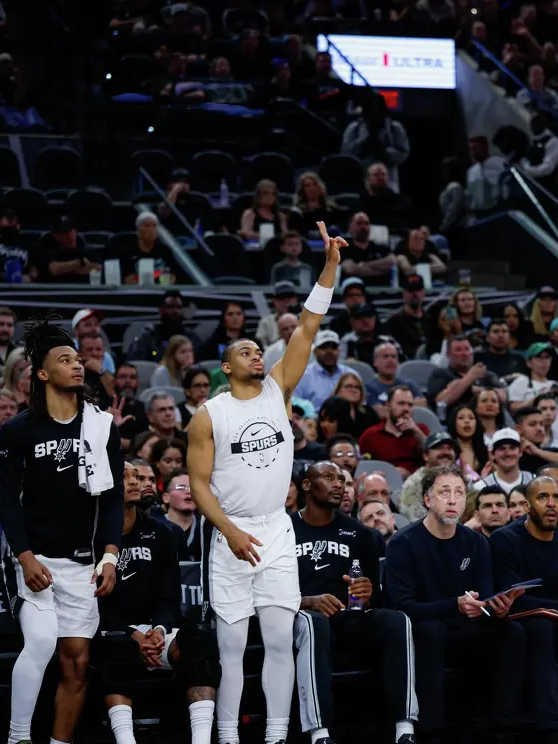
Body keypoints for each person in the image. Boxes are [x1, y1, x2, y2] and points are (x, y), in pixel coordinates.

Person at [187, 222, 347, 744]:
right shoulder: (209, 415)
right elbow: (199, 485)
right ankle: (228, 736)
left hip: (276, 530)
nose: (257, 355)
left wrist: (329, 267)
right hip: (231, 534)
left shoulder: (278, 389)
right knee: (232, 649)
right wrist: (229, 531)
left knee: (280, 641)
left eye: (259, 350)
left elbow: (307, 327)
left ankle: (277, 735)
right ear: (225, 366)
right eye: (246, 352)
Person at [0, 320, 124, 744]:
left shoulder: (102, 426)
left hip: (83, 562)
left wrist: (110, 555)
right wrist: (24, 557)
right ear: (42, 373)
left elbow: (113, 498)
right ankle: (17, 737)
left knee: (76, 661)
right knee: (41, 641)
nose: (77, 365)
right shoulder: (18, 430)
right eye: (65, 360)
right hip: (34, 557)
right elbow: (6, 502)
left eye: (78, 359)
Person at [385, 464, 526, 740]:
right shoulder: (403, 543)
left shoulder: (476, 542)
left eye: (459, 493)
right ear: (427, 499)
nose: (452, 500)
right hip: (423, 627)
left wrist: (495, 609)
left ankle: (506, 726)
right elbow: (402, 607)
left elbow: (483, 596)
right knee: (432, 632)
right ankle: (432, 729)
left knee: (512, 632)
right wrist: (456, 604)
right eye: (444, 492)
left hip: (465, 624)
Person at [292, 461, 418, 744]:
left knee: (398, 620)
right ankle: (319, 732)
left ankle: (405, 728)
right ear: (307, 485)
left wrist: (367, 592)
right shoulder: (285, 529)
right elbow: (268, 590)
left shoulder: (360, 533)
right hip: (300, 615)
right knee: (314, 624)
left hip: (347, 615)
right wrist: (306, 601)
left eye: (341, 479)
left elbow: (374, 597)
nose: (338, 484)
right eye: (328, 478)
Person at [98, 461, 218, 744]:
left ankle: (201, 738)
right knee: (118, 646)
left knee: (200, 641)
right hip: (109, 631)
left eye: (137, 477)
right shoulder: (90, 536)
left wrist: (160, 631)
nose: (135, 482)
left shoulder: (161, 533)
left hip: (155, 634)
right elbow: (90, 604)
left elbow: (169, 597)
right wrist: (132, 634)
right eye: (125, 477)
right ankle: (125, 739)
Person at [490, 475, 558, 742]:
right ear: (527, 506)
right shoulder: (504, 540)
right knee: (540, 627)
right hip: (523, 626)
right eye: (542, 497)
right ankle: (551, 728)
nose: (551, 503)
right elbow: (515, 601)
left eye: (557, 498)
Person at [358, 385, 428, 477]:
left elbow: (435, 458)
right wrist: (390, 473)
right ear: (388, 406)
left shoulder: (421, 430)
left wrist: (416, 431)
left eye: (410, 405)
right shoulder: (371, 435)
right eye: (401, 403)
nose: (406, 409)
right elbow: (363, 470)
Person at [294, 330, 356, 411]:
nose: (329, 351)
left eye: (334, 347)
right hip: (313, 417)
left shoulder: (351, 374)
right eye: (323, 347)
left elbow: (361, 404)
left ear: (339, 351)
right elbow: (293, 405)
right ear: (315, 351)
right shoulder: (302, 376)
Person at [473, 429, 534, 495]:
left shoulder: (534, 482)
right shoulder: (480, 487)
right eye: (502, 449)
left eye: (512, 448)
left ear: (520, 452)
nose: (508, 453)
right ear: (492, 454)